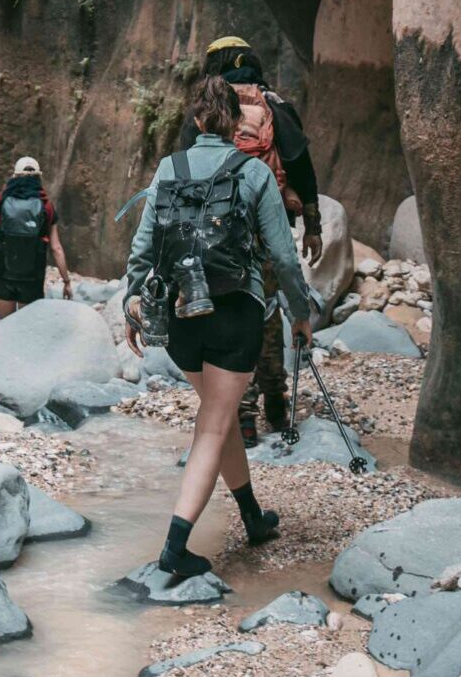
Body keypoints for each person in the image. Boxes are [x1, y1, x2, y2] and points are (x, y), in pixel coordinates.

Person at [125, 74, 314, 581]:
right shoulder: (252, 173)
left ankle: (252, 517)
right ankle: (175, 548)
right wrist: (301, 313)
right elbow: (283, 256)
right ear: (233, 123)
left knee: (220, 415)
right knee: (213, 423)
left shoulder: (169, 166)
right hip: (235, 313)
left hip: (180, 317)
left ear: (195, 119)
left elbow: (143, 247)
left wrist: (131, 301)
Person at [184, 35, 322, 441]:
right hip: (266, 228)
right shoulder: (274, 107)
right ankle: (276, 399)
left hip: (216, 234)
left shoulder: (206, 110)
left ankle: (241, 414)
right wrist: (312, 224)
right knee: (264, 311)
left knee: (229, 313)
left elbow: (184, 169)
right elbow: (301, 165)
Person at [0, 155, 71, 314]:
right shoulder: (46, 205)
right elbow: (56, 249)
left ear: (14, 176)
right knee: (25, 328)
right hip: (32, 277)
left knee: (6, 326)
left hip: (3, 274)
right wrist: (66, 281)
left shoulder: (1, 201)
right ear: (39, 177)